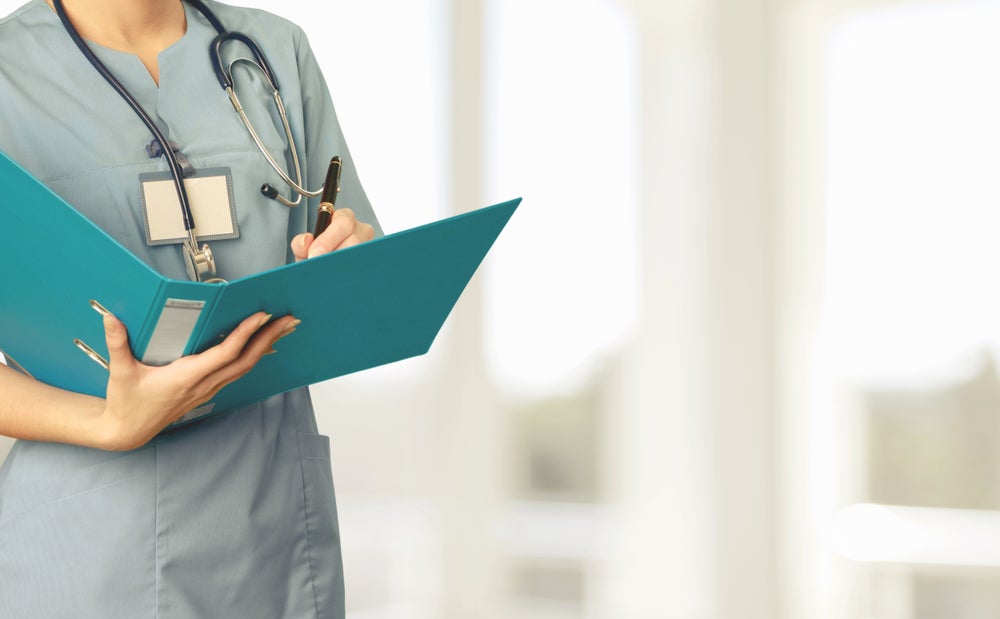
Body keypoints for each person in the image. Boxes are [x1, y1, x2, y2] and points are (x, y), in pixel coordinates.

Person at [0, 0, 379, 616]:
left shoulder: (274, 53)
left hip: (272, 531)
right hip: (90, 547)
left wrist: (354, 254)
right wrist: (107, 423)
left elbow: (359, 275)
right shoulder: (9, 70)